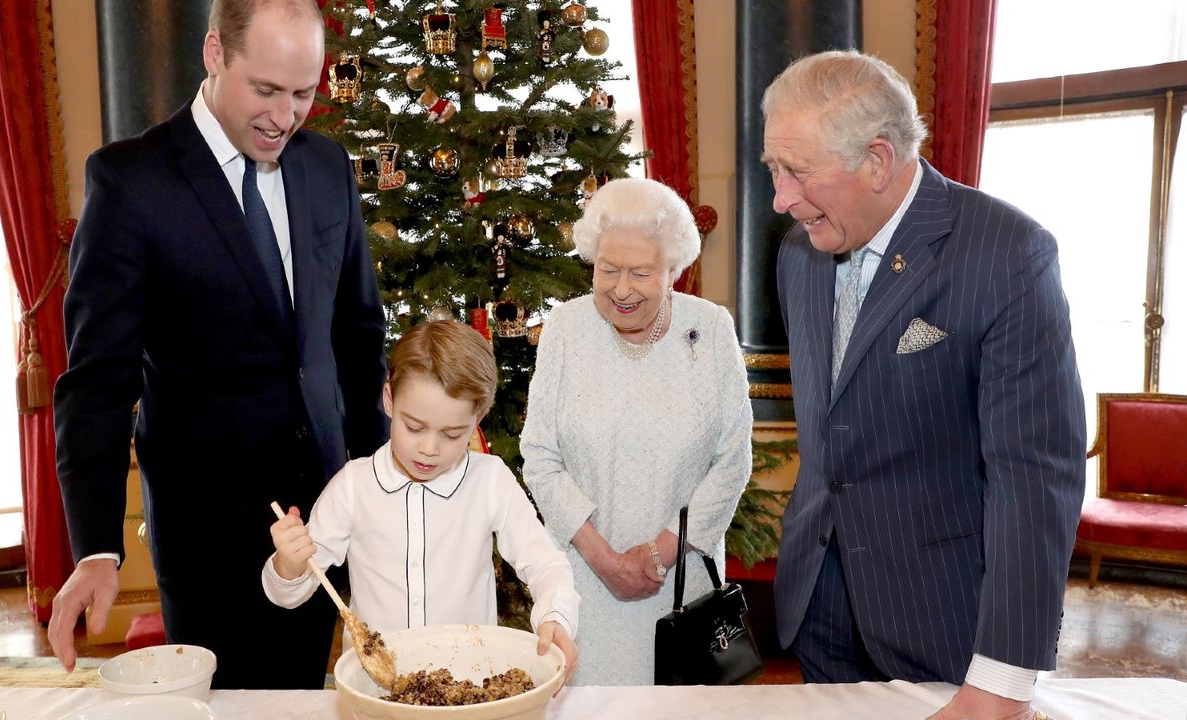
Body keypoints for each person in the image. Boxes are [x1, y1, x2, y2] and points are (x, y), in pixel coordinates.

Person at [49, 0, 389, 690]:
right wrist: (96, 547)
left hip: (326, 515)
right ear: (214, 54)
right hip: (210, 538)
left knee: (306, 697)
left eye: (303, 93)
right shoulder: (131, 181)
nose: (285, 116)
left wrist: (378, 484)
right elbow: (98, 381)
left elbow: (357, 338)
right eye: (265, 90)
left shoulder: (326, 167)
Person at [762, 50, 1085, 719]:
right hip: (819, 603)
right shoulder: (800, 252)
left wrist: (1000, 681)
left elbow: (1034, 478)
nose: (781, 199)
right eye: (774, 169)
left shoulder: (1008, 254)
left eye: (795, 171)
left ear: (877, 161)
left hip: (944, 623)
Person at [520, 177, 753, 686]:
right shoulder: (564, 329)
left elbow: (732, 459)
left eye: (641, 273)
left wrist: (657, 553)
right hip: (582, 582)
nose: (621, 289)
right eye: (608, 270)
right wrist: (603, 559)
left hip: (681, 589)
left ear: (674, 270)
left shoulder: (710, 330)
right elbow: (538, 454)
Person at [263, 321, 580, 681]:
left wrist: (555, 616)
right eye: (414, 427)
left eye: (451, 434)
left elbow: (546, 564)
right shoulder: (353, 485)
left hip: (467, 686)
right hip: (374, 689)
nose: (429, 449)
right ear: (389, 400)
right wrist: (289, 565)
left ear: (477, 419)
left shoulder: (490, 480)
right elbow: (288, 594)